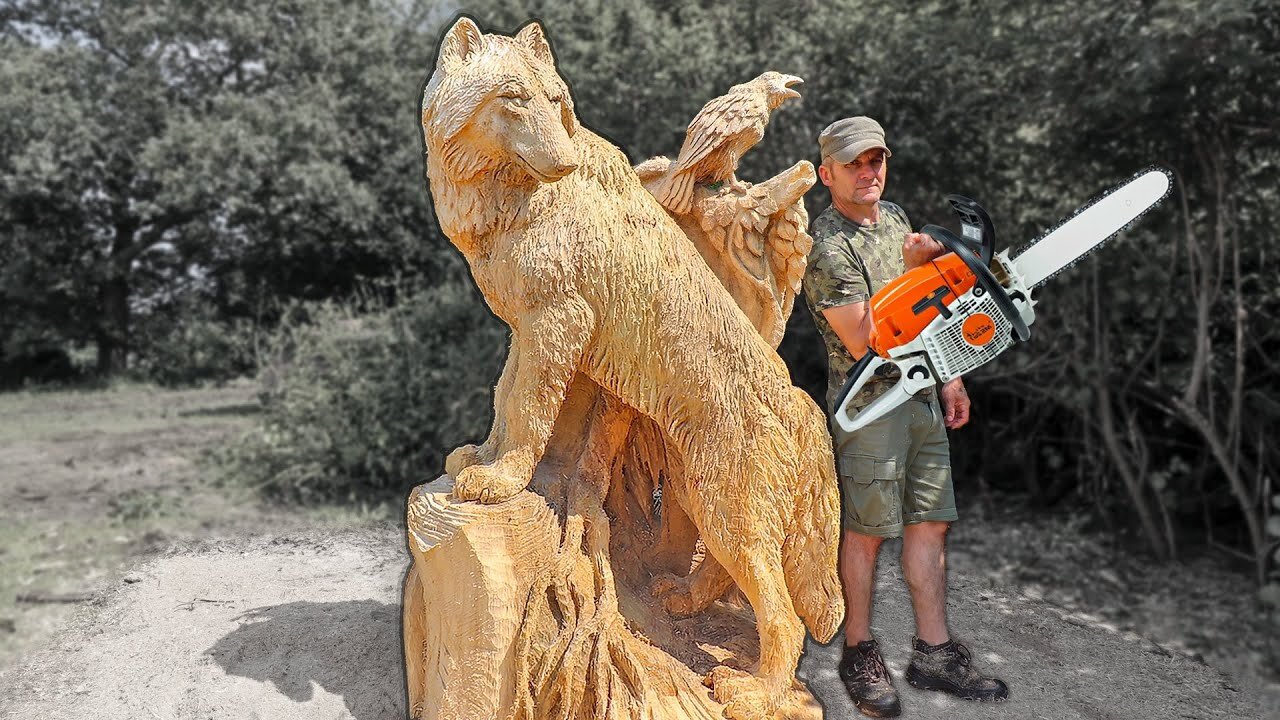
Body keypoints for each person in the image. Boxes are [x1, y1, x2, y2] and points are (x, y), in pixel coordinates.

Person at [801, 116, 1008, 718]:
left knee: (930, 523)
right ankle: (860, 651)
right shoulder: (828, 246)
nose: (868, 173)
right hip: (870, 407)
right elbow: (867, 338)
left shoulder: (892, 219)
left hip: (920, 397)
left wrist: (953, 374)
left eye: (875, 161)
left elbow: (935, 309)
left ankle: (934, 655)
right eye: (854, 164)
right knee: (866, 531)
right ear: (827, 174)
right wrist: (923, 270)